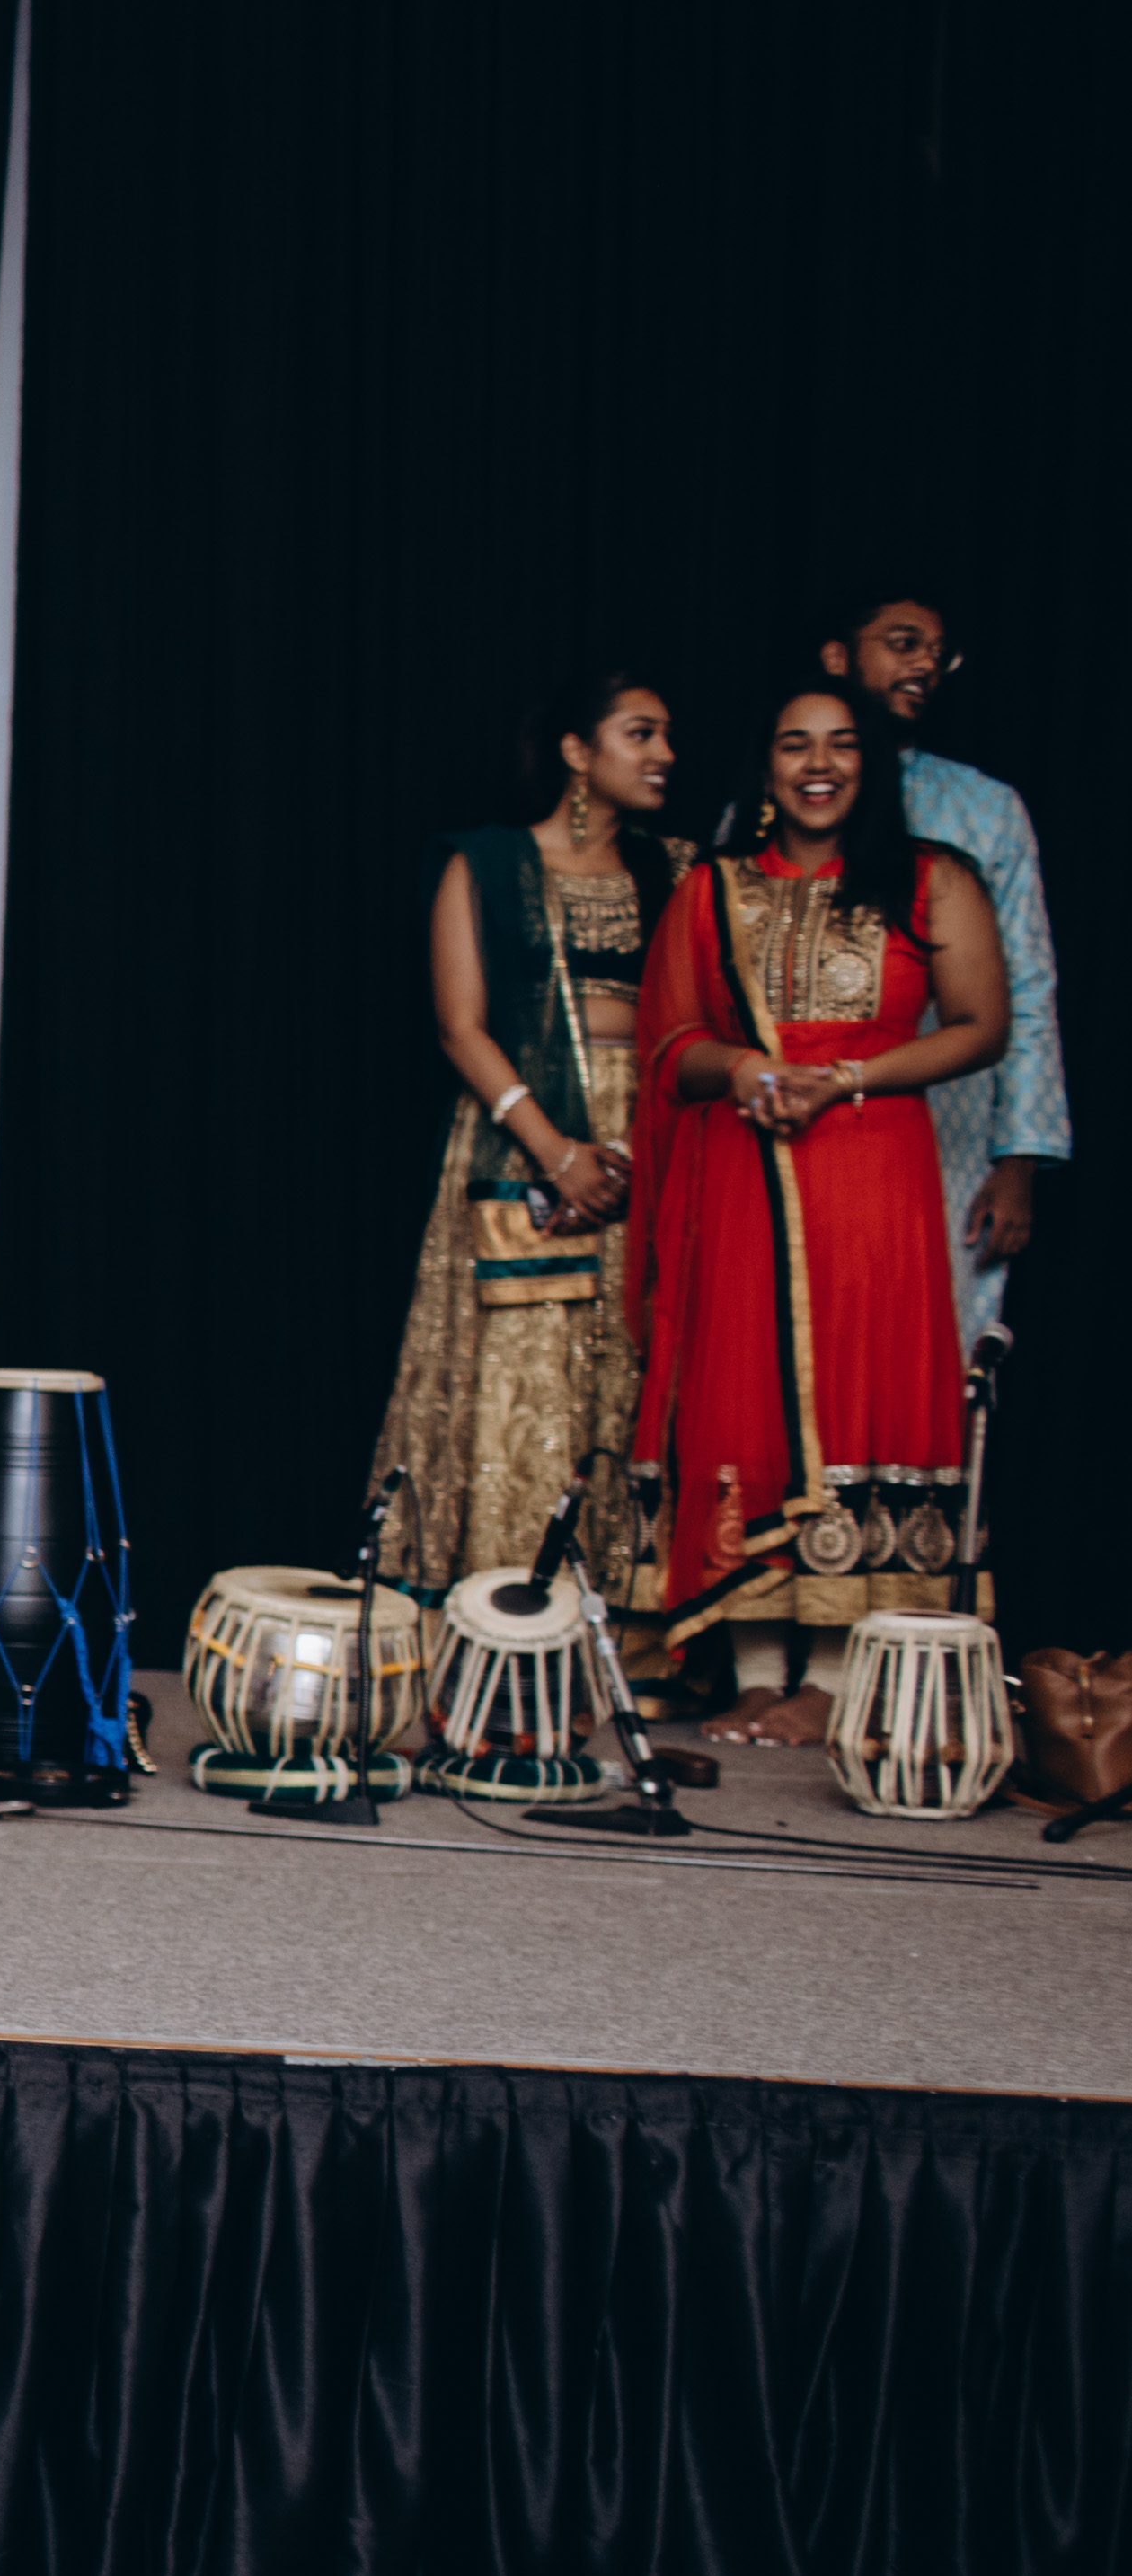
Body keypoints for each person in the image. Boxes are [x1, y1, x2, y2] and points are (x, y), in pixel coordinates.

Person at [628, 683, 1008, 1742]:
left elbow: (982, 1025)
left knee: (858, 1389)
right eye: (795, 745)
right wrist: (744, 1067)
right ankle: (757, 1668)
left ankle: (834, 1678)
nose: (819, 764)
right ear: (766, 766)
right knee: (742, 1389)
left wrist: (846, 1078)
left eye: (842, 744)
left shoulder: (933, 879)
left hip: (871, 1164)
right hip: (743, 1167)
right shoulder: (713, 889)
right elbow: (671, 1045)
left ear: (871, 762)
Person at [367, 673, 687, 1592]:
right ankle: (498, 1605)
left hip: (651, 1139)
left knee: (630, 1367)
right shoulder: (487, 864)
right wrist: (557, 1153)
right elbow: (460, 1027)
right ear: (577, 752)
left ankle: (626, 1621)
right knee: (522, 1373)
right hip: (520, 1130)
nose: (665, 754)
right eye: (640, 733)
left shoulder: (678, 871)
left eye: (667, 736)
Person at [823, 587, 1070, 1338]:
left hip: (948, 1125)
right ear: (837, 658)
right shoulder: (774, 799)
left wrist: (1018, 1158)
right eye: (903, 644)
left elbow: (1027, 983)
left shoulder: (984, 809)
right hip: (801, 1113)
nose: (926, 665)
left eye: (938, 653)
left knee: (925, 1332)